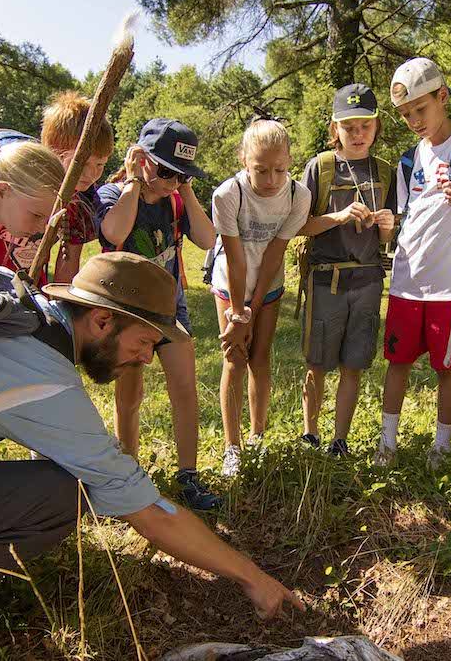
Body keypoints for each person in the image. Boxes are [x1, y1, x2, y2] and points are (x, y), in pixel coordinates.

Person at [0, 253, 303, 660]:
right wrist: (253, 578)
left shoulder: (2, 302)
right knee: (58, 496)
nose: (146, 359)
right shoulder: (40, 379)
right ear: (102, 320)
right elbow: (150, 514)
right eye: (145, 342)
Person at [96, 118, 220, 510]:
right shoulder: (113, 193)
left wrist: (184, 188)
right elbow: (114, 234)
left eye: (180, 174)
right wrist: (134, 182)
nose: (170, 181)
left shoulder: (176, 199)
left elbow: (207, 238)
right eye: (164, 170)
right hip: (127, 312)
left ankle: (188, 475)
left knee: (184, 388)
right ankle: (128, 470)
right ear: (141, 158)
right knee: (130, 391)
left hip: (170, 309)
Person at [372, 57, 451, 470]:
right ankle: (387, 443)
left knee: (446, 368)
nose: (414, 120)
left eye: (420, 109)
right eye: (405, 115)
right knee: (397, 362)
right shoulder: (408, 160)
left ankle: (442, 447)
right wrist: (387, 227)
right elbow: (407, 217)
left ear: (443, 96)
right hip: (407, 279)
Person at [297, 84, 396, 456]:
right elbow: (300, 225)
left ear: (376, 127)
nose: (357, 134)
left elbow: (390, 236)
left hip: (368, 279)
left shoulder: (385, 172)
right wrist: (336, 217)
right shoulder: (320, 167)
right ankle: (310, 434)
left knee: (354, 363)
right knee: (317, 362)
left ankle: (340, 439)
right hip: (326, 278)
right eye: (348, 126)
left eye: (365, 126)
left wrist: (387, 227)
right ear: (334, 128)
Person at [210, 118, 311, 477]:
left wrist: (254, 308)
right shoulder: (227, 195)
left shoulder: (299, 195)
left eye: (279, 170)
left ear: (289, 161)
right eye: (261, 170)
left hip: (268, 285)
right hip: (231, 283)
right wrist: (238, 316)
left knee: (260, 358)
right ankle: (231, 447)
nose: (270, 180)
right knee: (235, 358)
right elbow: (236, 260)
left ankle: (257, 438)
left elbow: (274, 254)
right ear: (243, 160)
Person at [0, 90, 115, 284]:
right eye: (81, 164)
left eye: (100, 165)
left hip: (32, 287)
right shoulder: (15, 183)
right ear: (53, 153)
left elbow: (68, 259)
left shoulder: (79, 202)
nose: (90, 175)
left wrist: (63, 308)